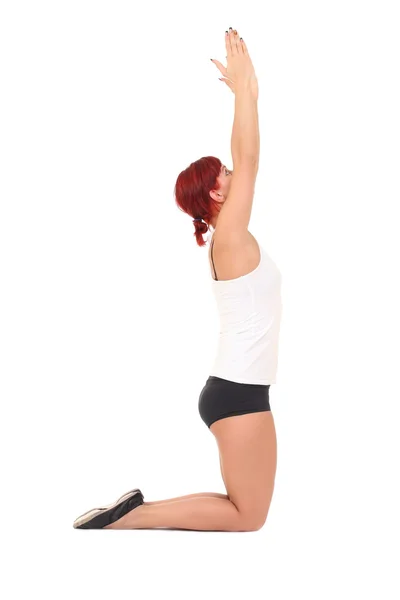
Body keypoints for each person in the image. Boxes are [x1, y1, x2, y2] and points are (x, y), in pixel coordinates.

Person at [73, 27, 282, 532]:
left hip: (236, 389)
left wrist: (243, 95)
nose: (235, 174)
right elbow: (251, 158)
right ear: (214, 195)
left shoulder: (226, 236)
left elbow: (242, 155)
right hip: (239, 391)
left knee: (243, 508)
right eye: (224, 176)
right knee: (248, 516)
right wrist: (246, 90)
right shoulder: (228, 236)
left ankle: (130, 513)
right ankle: (131, 519)